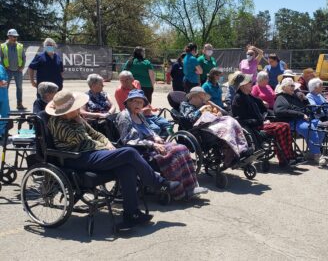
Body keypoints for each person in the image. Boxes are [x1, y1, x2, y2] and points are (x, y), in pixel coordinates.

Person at [46, 90, 179, 228]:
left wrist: (107, 143)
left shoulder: (75, 117)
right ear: (68, 111)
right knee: (129, 152)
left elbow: (96, 134)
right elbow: (75, 138)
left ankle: (131, 214)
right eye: (76, 108)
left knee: (126, 167)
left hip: (94, 152)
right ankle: (158, 183)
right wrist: (80, 122)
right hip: (77, 158)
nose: (79, 109)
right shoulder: (56, 122)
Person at [116, 89, 207, 200]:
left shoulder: (139, 115)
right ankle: (178, 192)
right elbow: (128, 140)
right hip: (140, 151)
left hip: (151, 145)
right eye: (135, 101)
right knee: (174, 153)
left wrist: (156, 137)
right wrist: (152, 144)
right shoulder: (124, 116)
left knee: (182, 148)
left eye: (140, 102)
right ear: (128, 102)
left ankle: (190, 186)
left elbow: (149, 130)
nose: (138, 104)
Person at [232, 73, 296, 167]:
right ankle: (284, 159)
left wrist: (268, 113)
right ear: (243, 85)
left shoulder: (249, 96)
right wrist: (261, 121)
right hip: (254, 127)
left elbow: (263, 108)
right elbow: (241, 119)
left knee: (285, 125)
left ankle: (290, 156)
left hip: (260, 123)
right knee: (283, 127)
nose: (252, 84)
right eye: (250, 82)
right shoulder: (238, 98)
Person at [179, 87, 249, 169]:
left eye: (204, 98)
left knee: (231, 121)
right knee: (226, 129)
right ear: (193, 96)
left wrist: (214, 107)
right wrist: (202, 110)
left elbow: (225, 113)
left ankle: (241, 150)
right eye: (201, 97)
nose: (203, 100)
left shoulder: (203, 105)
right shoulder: (185, 105)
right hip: (198, 129)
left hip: (210, 125)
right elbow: (190, 118)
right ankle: (232, 156)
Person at [274, 77, 327, 164]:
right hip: (292, 121)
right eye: (291, 86)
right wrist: (300, 114)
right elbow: (279, 111)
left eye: (293, 86)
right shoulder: (280, 98)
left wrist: (305, 99)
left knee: (321, 125)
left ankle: (313, 151)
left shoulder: (295, 96)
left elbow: (308, 107)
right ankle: (317, 154)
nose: (293, 87)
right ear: (284, 88)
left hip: (302, 119)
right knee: (309, 128)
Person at [115, 71, 170, 136]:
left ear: (132, 79)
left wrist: (151, 108)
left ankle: (161, 140)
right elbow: (123, 110)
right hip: (138, 117)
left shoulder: (137, 83)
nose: (124, 82)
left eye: (127, 79)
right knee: (156, 129)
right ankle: (152, 143)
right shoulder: (119, 91)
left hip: (149, 114)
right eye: (122, 80)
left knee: (167, 125)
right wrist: (141, 110)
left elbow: (143, 97)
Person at [1, 29, 26, 109]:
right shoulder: (2, 46)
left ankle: (19, 104)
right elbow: (1, 58)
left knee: (19, 88)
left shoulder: (20, 46)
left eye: (16, 37)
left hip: (18, 71)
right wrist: (4, 67)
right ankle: (4, 104)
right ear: (9, 36)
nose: (15, 38)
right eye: (14, 36)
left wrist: (22, 66)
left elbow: (23, 57)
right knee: (4, 88)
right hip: (7, 71)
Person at [0, 62, 9, 138]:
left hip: (4, 95)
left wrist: (5, 82)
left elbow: (6, 77)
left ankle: (4, 132)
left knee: (5, 114)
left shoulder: (1, 67)